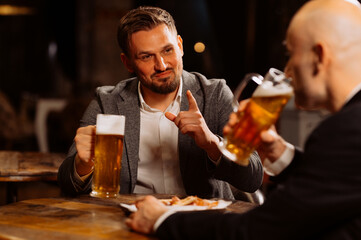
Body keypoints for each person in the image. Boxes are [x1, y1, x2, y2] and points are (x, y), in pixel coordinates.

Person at [125, 0, 361, 239]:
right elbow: (332, 182)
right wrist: (280, 153)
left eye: (290, 54)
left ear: (319, 56)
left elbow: (261, 230)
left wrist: (161, 220)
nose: (287, 71)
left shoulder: (345, 130)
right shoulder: (350, 127)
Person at [57, 6, 263, 199]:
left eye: (167, 50)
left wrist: (212, 144)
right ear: (127, 62)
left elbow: (253, 178)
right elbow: (67, 184)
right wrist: (82, 165)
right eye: (146, 56)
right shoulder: (107, 101)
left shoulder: (215, 94)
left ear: (180, 46)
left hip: (201, 222)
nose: (161, 65)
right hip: (132, 223)